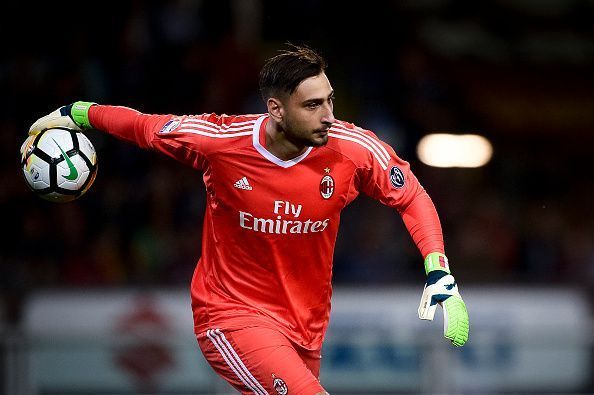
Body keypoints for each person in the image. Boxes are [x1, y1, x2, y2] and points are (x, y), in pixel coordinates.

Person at [28, 45, 469, 395]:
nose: (329, 115)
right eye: (313, 105)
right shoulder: (219, 142)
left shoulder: (353, 148)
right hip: (231, 317)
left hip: (306, 327)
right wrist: (77, 113)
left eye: (330, 100)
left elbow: (411, 196)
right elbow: (144, 127)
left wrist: (438, 270)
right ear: (276, 110)